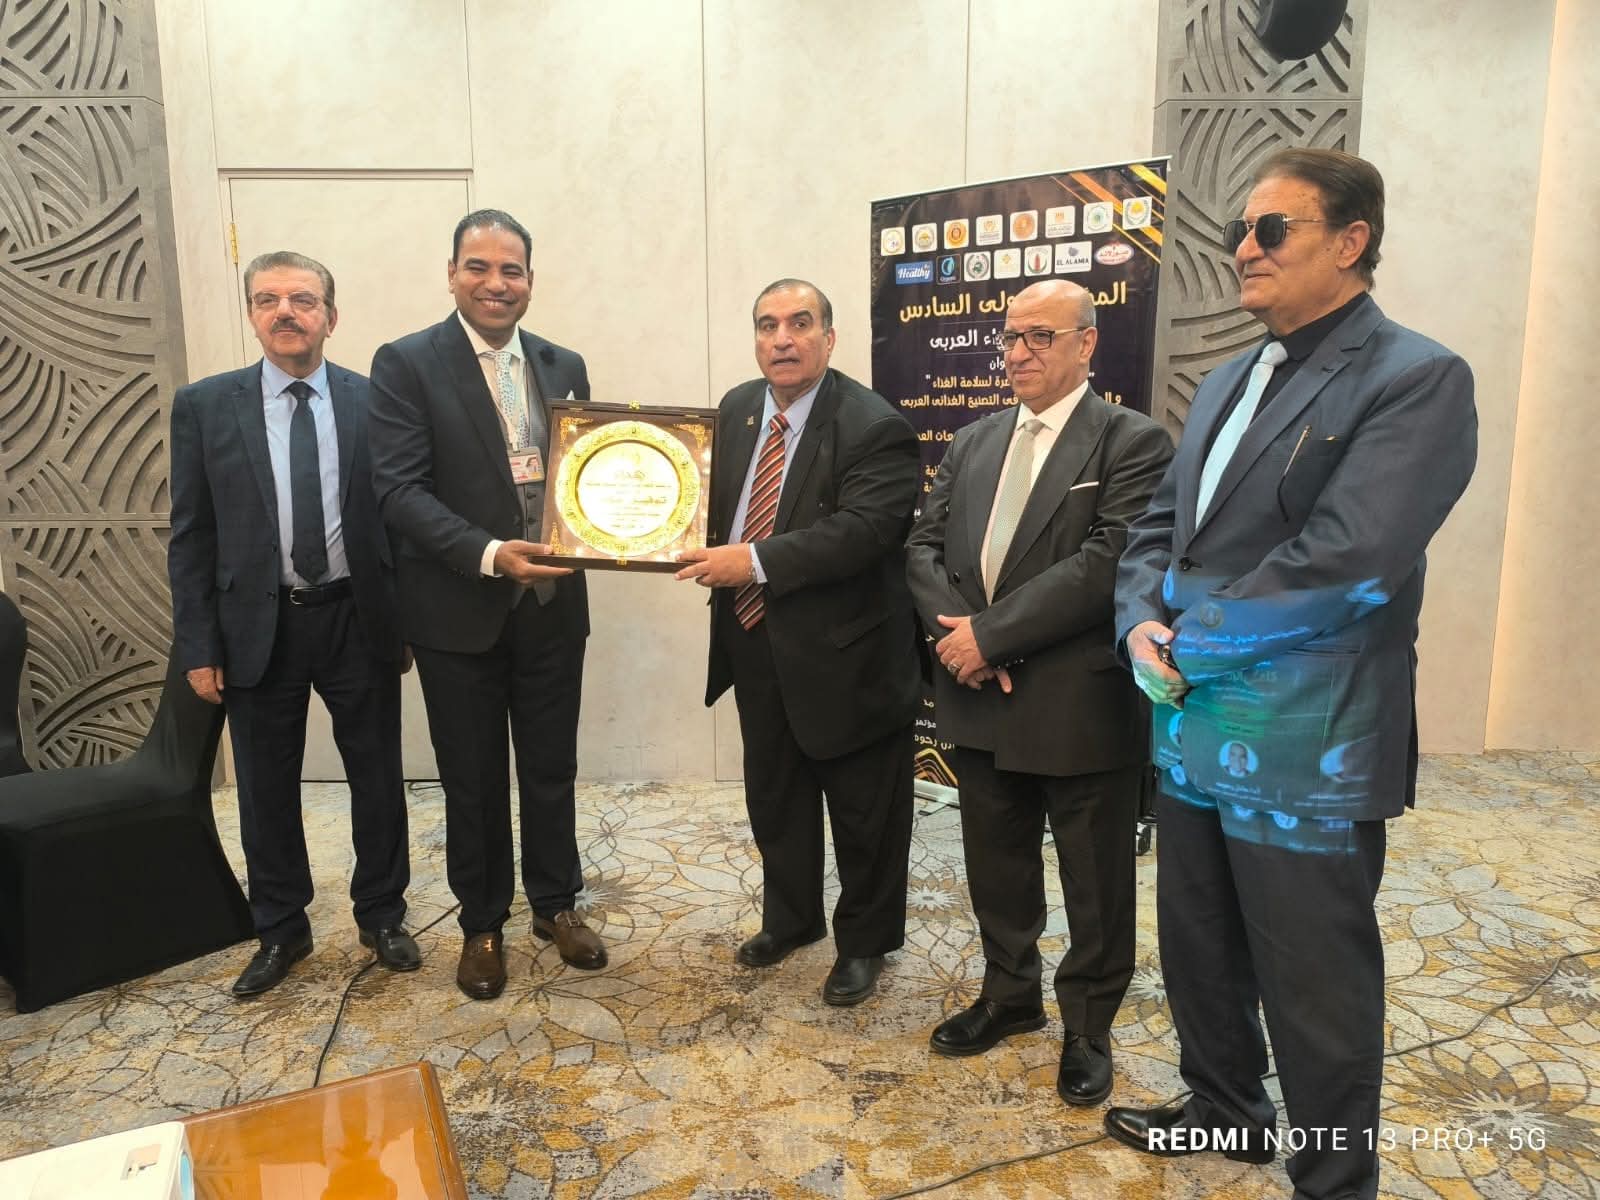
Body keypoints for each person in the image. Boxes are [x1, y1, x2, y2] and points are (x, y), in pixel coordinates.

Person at [1109, 148, 1477, 1200]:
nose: (1243, 249)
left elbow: (1348, 561)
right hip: (1187, 725)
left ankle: (1333, 1179)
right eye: (1241, 230)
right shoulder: (1229, 376)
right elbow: (1159, 529)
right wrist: (1136, 624)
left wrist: (1186, 645)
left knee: (1313, 977)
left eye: (1272, 229)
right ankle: (1224, 1113)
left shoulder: (1416, 377)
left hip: (1306, 742)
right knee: (1199, 941)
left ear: (1351, 241)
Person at [904, 279, 1172, 1105]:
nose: (1017, 353)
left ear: (1087, 344)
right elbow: (922, 547)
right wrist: (959, 642)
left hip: (1077, 701)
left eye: (1039, 337)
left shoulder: (1132, 441)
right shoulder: (974, 440)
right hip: (978, 691)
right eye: (1010, 337)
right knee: (997, 861)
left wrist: (990, 636)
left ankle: (1088, 1026)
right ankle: (1009, 994)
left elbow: (1107, 563)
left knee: (1095, 880)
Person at [368, 209, 605, 1002]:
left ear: (530, 280)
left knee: (552, 767)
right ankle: (482, 923)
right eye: (479, 266)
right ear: (452, 274)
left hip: (552, 608)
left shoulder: (563, 363)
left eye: (511, 269)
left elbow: (585, 476)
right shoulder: (406, 363)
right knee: (471, 779)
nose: (495, 283)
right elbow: (398, 490)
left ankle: (556, 904)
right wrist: (489, 552)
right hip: (456, 610)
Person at [168, 250, 416, 998]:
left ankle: (382, 914)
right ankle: (281, 928)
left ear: (330, 317)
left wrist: (405, 621)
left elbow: (401, 520)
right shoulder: (205, 406)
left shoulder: (374, 401)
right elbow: (191, 534)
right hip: (257, 626)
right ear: (251, 314)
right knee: (264, 787)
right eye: (268, 299)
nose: (286, 311)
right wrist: (199, 644)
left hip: (356, 618)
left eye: (303, 300)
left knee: (377, 775)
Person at [675, 279, 921, 1006]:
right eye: (767, 325)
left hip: (848, 654)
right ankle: (791, 918)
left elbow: (864, 532)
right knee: (775, 795)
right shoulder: (737, 409)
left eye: (800, 323)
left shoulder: (875, 425)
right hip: (756, 639)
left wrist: (749, 562)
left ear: (829, 337)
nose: (782, 339)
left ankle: (864, 943)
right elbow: (705, 500)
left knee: (864, 812)